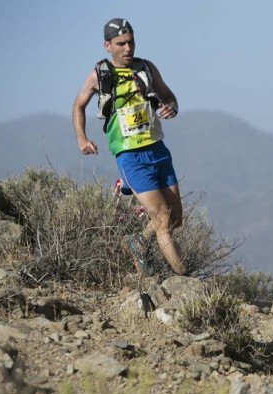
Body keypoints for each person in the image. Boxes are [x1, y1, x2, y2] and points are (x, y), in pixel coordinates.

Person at [72, 18, 186, 276]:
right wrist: (82, 138)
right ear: (107, 45)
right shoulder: (99, 75)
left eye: (131, 42)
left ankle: (138, 241)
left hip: (157, 148)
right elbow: (78, 106)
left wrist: (172, 107)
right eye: (121, 43)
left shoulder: (146, 68)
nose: (127, 48)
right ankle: (186, 279)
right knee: (162, 220)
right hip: (129, 155)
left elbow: (169, 96)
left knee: (176, 218)